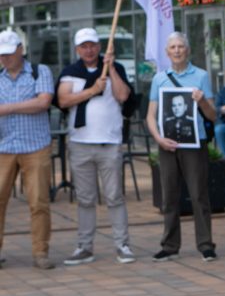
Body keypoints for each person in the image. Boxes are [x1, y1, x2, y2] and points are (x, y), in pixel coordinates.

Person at [58, 27, 137, 265]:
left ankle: (122, 244)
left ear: (100, 46)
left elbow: (123, 96)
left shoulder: (115, 68)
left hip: (109, 142)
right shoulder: (70, 73)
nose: (89, 50)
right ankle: (84, 246)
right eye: (84, 46)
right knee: (85, 198)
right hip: (81, 143)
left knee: (114, 196)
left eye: (92, 45)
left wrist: (111, 68)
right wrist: (92, 90)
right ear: (77, 49)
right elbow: (63, 100)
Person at [145, 32, 217, 262]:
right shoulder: (159, 79)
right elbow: (150, 115)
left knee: (198, 194)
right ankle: (169, 245)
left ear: (187, 50)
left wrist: (202, 101)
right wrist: (158, 138)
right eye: (172, 47)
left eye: (180, 47)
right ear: (167, 53)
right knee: (169, 196)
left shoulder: (202, 76)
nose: (177, 51)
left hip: (194, 143)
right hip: (167, 143)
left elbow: (213, 115)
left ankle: (205, 244)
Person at [0, 30, 55, 270]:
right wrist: (25, 105)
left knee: (39, 201)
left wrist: (8, 108)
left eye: (9, 53)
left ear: (21, 49)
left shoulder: (39, 71)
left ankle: (40, 252)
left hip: (35, 146)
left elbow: (43, 102)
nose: (5, 58)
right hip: (3, 147)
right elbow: (34, 104)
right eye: (2, 55)